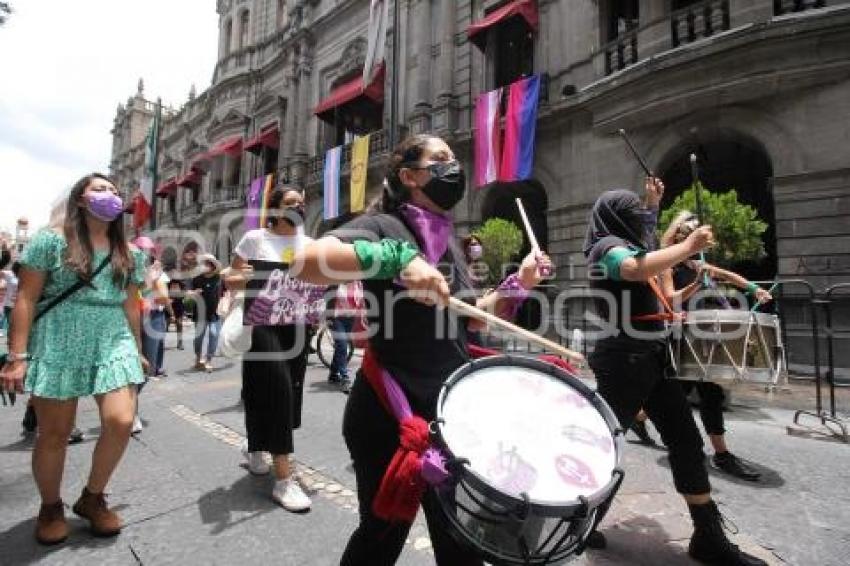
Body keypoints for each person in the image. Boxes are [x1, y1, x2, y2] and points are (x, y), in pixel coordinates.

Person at [291, 134, 552, 566]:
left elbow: (470, 316)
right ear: (409, 176)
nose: (454, 166)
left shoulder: (450, 241)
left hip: (449, 415)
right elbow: (309, 262)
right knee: (381, 536)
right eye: (440, 159)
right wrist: (395, 259)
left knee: (461, 543)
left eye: (453, 158)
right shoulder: (385, 226)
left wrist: (519, 284)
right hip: (389, 414)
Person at [583, 189, 766, 565]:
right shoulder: (606, 248)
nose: (638, 216)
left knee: (685, 441)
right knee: (604, 447)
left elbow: (647, 243)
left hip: (653, 358)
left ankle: (708, 536)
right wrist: (689, 246)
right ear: (615, 216)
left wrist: (653, 205)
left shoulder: (635, 243)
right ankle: (581, 522)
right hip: (622, 362)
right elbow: (632, 267)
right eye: (630, 210)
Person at [0, 173, 148, 545]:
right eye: (100, 189)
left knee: (121, 420)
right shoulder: (50, 241)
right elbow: (27, 299)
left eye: (115, 191)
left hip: (111, 336)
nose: (110, 195)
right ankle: (51, 507)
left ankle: (92, 498)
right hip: (58, 337)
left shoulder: (130, 253)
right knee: (55, 433)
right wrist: (17, 356)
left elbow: (131, 304)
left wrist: (138, 348)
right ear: (80, 199)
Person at [653, 210, 772, 481]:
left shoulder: (697, 265)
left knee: (711, 395)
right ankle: (637, 419)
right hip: (679, 338)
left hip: (703, 338)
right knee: (666, 395)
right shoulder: (667, 266)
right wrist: (696, 284)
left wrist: (754, 289)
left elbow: (731, 277)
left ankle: (721, 454)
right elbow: (671, 300)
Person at [224, 186, 322, 513]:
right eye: (291, 203)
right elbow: (230, 276)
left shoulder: (308, 244)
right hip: (262, 320)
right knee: (277, 388)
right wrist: (243, 277)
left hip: (297, 323)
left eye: (301, 203)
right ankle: (284, 479)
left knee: (283, 391)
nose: (298, 207)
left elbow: (319, 279)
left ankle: (256, 447)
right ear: (275, 208)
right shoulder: (255, 239)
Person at [327, 280, 363, 391]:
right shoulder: (336, 283)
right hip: (337, 319)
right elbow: (327, 299)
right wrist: (328, 318)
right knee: (342, 345)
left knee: (340, 347)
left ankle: (333, 374)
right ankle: (344, 376)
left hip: (350, 319)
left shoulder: (358, 284)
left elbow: (361, 301)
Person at [189, 253, 223, 373]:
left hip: (215, 313)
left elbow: (226, 292)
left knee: (214, 334)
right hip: (200, 313)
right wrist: (193, 293)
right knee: (199, 338)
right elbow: (188, 292)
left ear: (214, 266)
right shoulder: (197, 279)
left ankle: (208, 360)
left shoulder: (219, 278)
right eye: (205, 263)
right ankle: (198, 359)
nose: (207, 266)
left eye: (209, 263)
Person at [167, 278, 186, 350]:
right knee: (165, 325)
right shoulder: (167, 282)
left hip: (178, 306)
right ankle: (159, 342)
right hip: (168, 306)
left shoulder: (182, 284)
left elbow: (184, 294)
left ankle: (180, 343)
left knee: (179, 324)